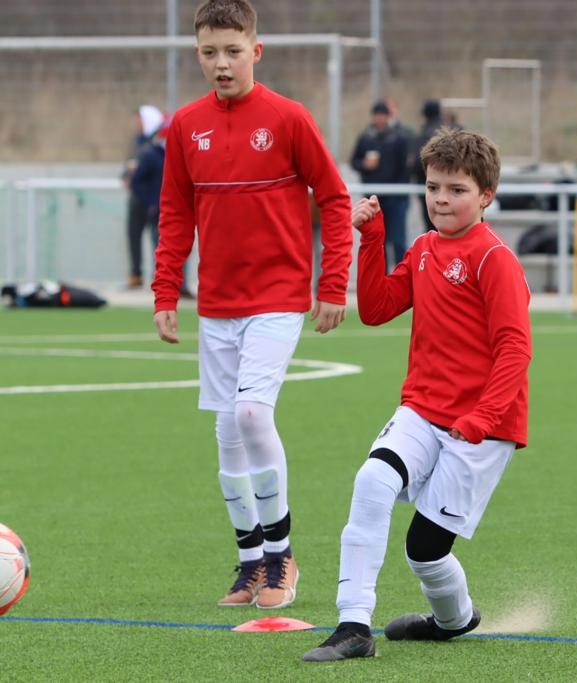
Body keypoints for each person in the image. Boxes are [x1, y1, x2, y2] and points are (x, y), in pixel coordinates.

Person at [151, 0, 353, 610]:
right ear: (197, 55)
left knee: (250, 415)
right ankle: (248, 563)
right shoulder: (186, 126)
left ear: (255, 52)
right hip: (217, 303)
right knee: (226, 428)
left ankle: (281, 556)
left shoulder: (289, 118)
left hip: (278, 298)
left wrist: (333, 284)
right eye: (209, 52)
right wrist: (166, 291)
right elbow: (175, 212)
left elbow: (335, 199)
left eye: (233, 51)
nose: (222, 63)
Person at [302, 128, 531, 662]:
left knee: (424, 552)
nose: (441, 199)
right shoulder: (425, 248)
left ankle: (454, 620)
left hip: (481, 428)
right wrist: (372, 238)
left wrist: (482, 417)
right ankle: (353, 626)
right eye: (432, 188)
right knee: (372, 481)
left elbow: (515, 349)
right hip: (423, 410)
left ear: (486, 196)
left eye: (456, 190)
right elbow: (377, 308)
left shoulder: (493, 258)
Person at [130, 114, 195, 300]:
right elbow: (137, 182)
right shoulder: (152, 155)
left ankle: (181, 285)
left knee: (182, 248)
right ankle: (165, 288)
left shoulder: (181, 153)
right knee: (164, 249)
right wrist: (152, 202)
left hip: (181, 212)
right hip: (159, 213)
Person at [351, 100, 411, 270]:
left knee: (398, 240)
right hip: (373, 199)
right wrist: (364, 165)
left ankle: (402, 275)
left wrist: (400, 190)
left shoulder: (399, 138)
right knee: (378, 242)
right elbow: (354, 161)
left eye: (382, 115)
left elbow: (405, 167)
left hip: (395, 198)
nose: (379, 119)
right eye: (376, 115)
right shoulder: (365, 137)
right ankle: (381, 277)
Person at [123, 104, 164, 289]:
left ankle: (159, 276)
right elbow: (129, 164)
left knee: (158, 239)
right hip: (137, 197)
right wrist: (127, 176)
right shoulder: (137, 141)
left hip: (154, 199)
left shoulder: (156, 142)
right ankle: (135, 274)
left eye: (139, 119)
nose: (137, 123)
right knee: (133, 235)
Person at [413, 99, 444, 231]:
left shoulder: (425, 135)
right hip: (451, 185)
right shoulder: (452, 130)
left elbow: (417, 163)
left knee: (432, 228)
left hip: (428, 186)